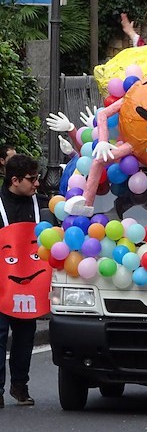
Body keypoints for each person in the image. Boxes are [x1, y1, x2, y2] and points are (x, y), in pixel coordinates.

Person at [0, 155, 51, 407]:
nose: (37, 184)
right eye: (32, 179)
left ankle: (20, 386)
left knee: (25, 336)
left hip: (30, 283)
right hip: (1, 283)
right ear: (15, 180)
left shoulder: (41, 204)